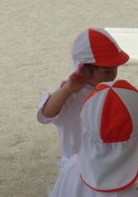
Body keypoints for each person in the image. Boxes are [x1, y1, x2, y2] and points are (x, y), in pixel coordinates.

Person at [37, 28, 130, 167]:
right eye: (107, 71)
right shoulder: (69, 92)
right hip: (76, 167)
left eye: (115, 68)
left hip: (106, 164)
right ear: (83, 69)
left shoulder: (112, 90)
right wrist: (67, 90)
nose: (113, 75)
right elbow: (45, 115)